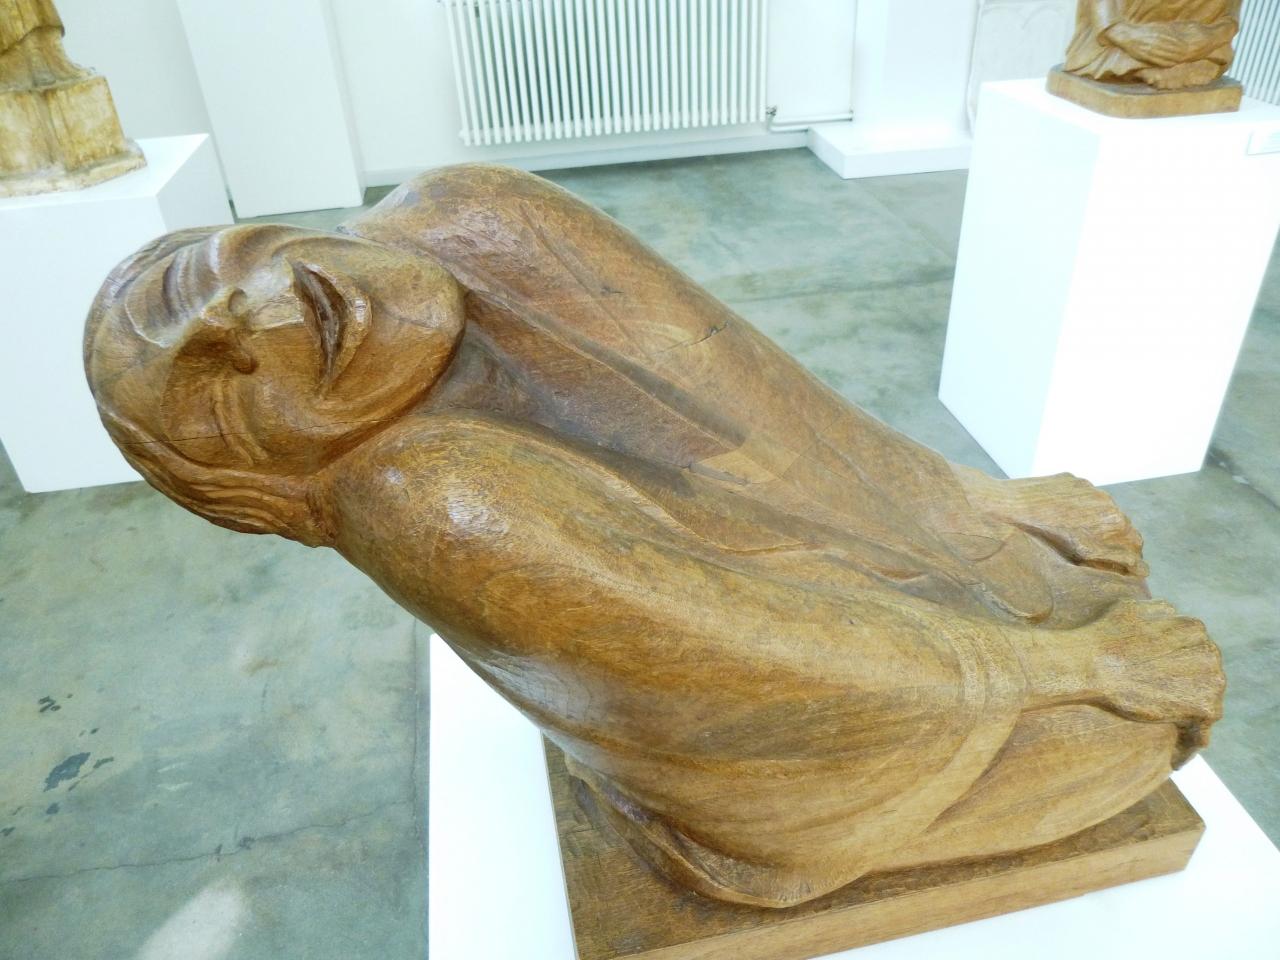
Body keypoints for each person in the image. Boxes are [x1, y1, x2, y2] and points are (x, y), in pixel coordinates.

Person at [84, 164, 1224, 908]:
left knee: (1069, 578)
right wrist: (1077, 666)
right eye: (215, 395)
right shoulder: (427, 499)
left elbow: (774, 412)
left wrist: (967, 507)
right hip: (791, 738)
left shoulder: (462, 216)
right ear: (269, 480)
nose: (231, 321)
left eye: (197, 280)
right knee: (1126, 740)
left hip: (827, 582)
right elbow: (754, 649)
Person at [1064, 0, 1241, 90]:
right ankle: (1134, 62)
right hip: (1123, 36)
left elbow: (1229, 18)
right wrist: (1121, 32)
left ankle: (1190, 61)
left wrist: (1211, 36)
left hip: (1195, 37)